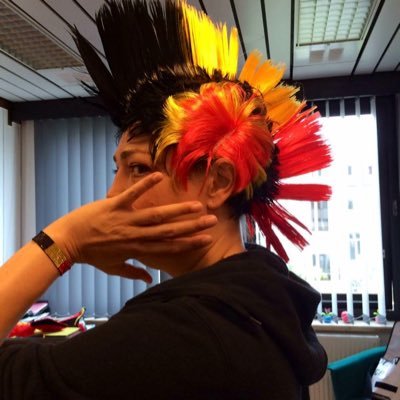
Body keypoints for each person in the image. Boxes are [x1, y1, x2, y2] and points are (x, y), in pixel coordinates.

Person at [0, 0, 332, 399]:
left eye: (138, 168)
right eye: (117, 169)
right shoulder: (260, 304)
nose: (112, 194)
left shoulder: (183, 336)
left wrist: (65, 241)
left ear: (218, 181)